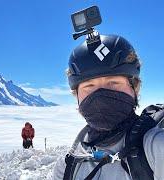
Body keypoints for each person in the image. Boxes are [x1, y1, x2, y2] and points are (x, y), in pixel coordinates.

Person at [52, 33, 164, 180]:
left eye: (113, 83)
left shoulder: (155, 147)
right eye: (89, 86)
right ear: (77, 96)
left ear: (134, 88)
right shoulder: (66, 166)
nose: (100, 94)